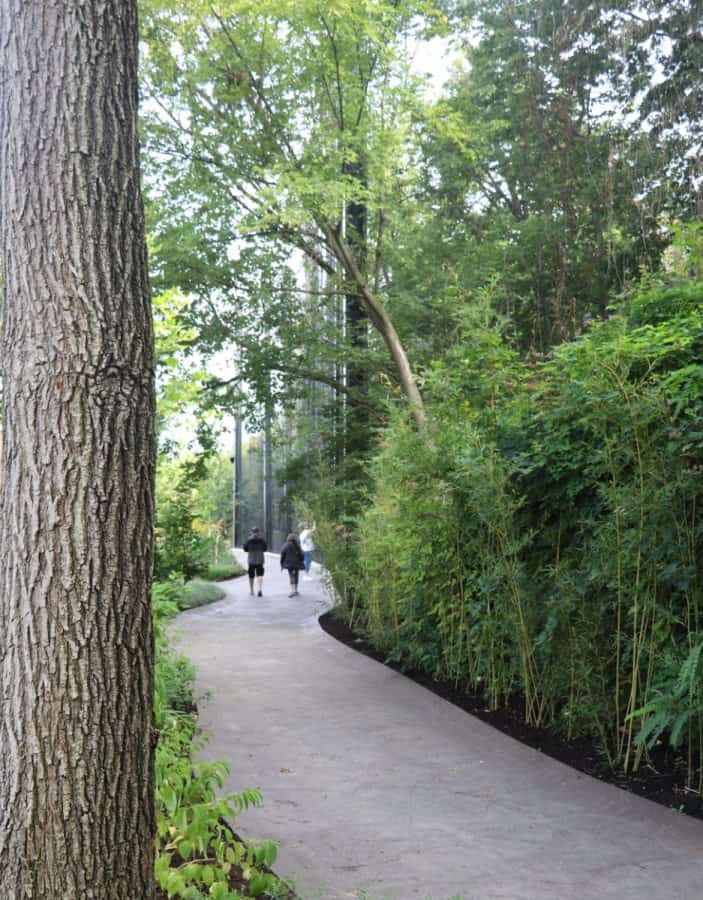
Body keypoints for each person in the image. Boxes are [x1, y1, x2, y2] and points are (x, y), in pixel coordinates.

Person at [243, 526, 267, 597]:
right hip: (260, 559)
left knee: (251, 576)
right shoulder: (262, 540)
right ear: (258, 532)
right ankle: (259, 589)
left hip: (251, 560)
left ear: (251, 532)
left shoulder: (248, 540)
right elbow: (265, 548)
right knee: (260, 575)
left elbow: (245, 549)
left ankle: (251, 590)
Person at [280, 532, 304, 598]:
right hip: (296, 563)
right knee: (296, 575)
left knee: (291, 575)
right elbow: (301, 555)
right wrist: (301, 560)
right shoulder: (297, 545)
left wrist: (282, 564)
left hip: (289, 563)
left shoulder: (285, 545)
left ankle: (293, 590)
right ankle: (296, 590)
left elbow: (282, 554)